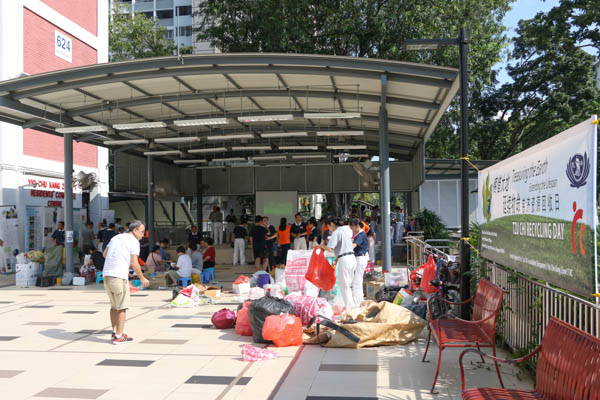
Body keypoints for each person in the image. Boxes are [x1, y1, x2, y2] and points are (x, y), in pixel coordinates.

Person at [102, 220, 148, 344]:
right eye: (142, 232)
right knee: (122, 307)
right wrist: (142, 278)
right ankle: (119, 336)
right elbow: (134, 263)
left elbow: (105, 254)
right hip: (118, 276)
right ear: (135, 230)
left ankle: (114, 332)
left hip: (107, 275)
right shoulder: (134, 242)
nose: (143, 235)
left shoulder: (116, 237)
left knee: (113, 306)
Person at [319, 216, 357, 308]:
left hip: (344, 259)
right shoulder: (345, 231)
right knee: (349, 285)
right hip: (351, 258)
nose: (328, 229)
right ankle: (352, 306)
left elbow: (330, 248)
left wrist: (321, 246)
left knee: (345, 286)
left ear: (331, 224)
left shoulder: (336, 232)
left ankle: (349, 309)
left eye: (328, 226)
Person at [350, 218, 368, 306]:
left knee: (357, 280)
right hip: (358, 258)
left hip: (360, 258)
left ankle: (358, 301)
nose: (351, 229)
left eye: (352, 227)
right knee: (356, 279)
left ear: (356, 226)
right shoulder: (359, 234)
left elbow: (354, 245)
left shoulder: (361, 235)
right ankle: (357, 299)